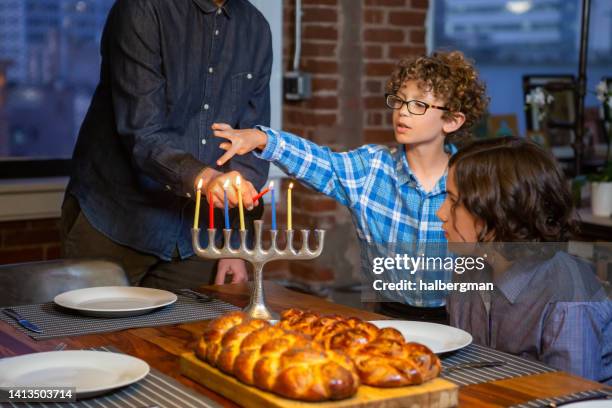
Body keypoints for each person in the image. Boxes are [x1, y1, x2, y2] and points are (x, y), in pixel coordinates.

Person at [210, 51, 489, 322]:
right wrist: (262, 139)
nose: (403, 112)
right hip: (388, 317)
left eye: (418, 105)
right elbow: (323, 162)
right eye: (399, 101)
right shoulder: (372, 168)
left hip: (459, 318)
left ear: (452, 120)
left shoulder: (472, 180)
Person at [61, 0, 271, 289]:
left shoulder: (256, 28)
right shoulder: (142, 9)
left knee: (191, 334)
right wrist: (205, 179)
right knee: (89, 333)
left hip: (198, 236)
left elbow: (253, 142)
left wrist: (235, 241)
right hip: (116, 219)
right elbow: (142, 132)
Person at [437, 137, 611, 384]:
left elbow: (571, 398)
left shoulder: (568, 300)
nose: (440, 212)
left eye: (454, 201)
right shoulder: (468, 267)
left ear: (497, 211)